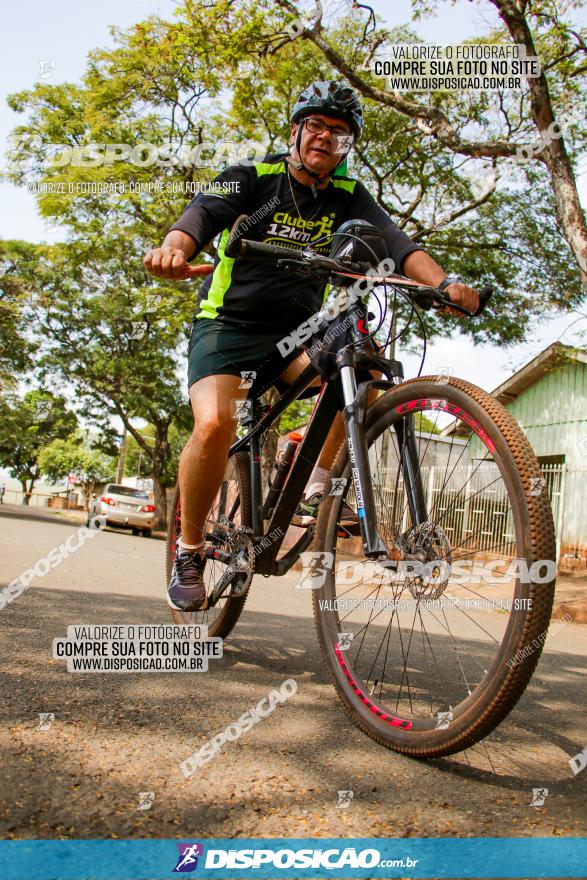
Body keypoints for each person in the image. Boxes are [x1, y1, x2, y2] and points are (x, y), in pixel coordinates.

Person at [144, 81, 479, 612]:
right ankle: (189, 551)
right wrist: (172, 249)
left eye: (340, 132)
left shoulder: (349, 194)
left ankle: (315, 483)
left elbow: (399, 245)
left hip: (297, 334)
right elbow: (199, 218)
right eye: (317, 126)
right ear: (297, 130)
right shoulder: (253, 176)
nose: (327, 137)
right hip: (228, 327)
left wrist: (442, 285)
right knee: (214, 424)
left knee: (361, 369)